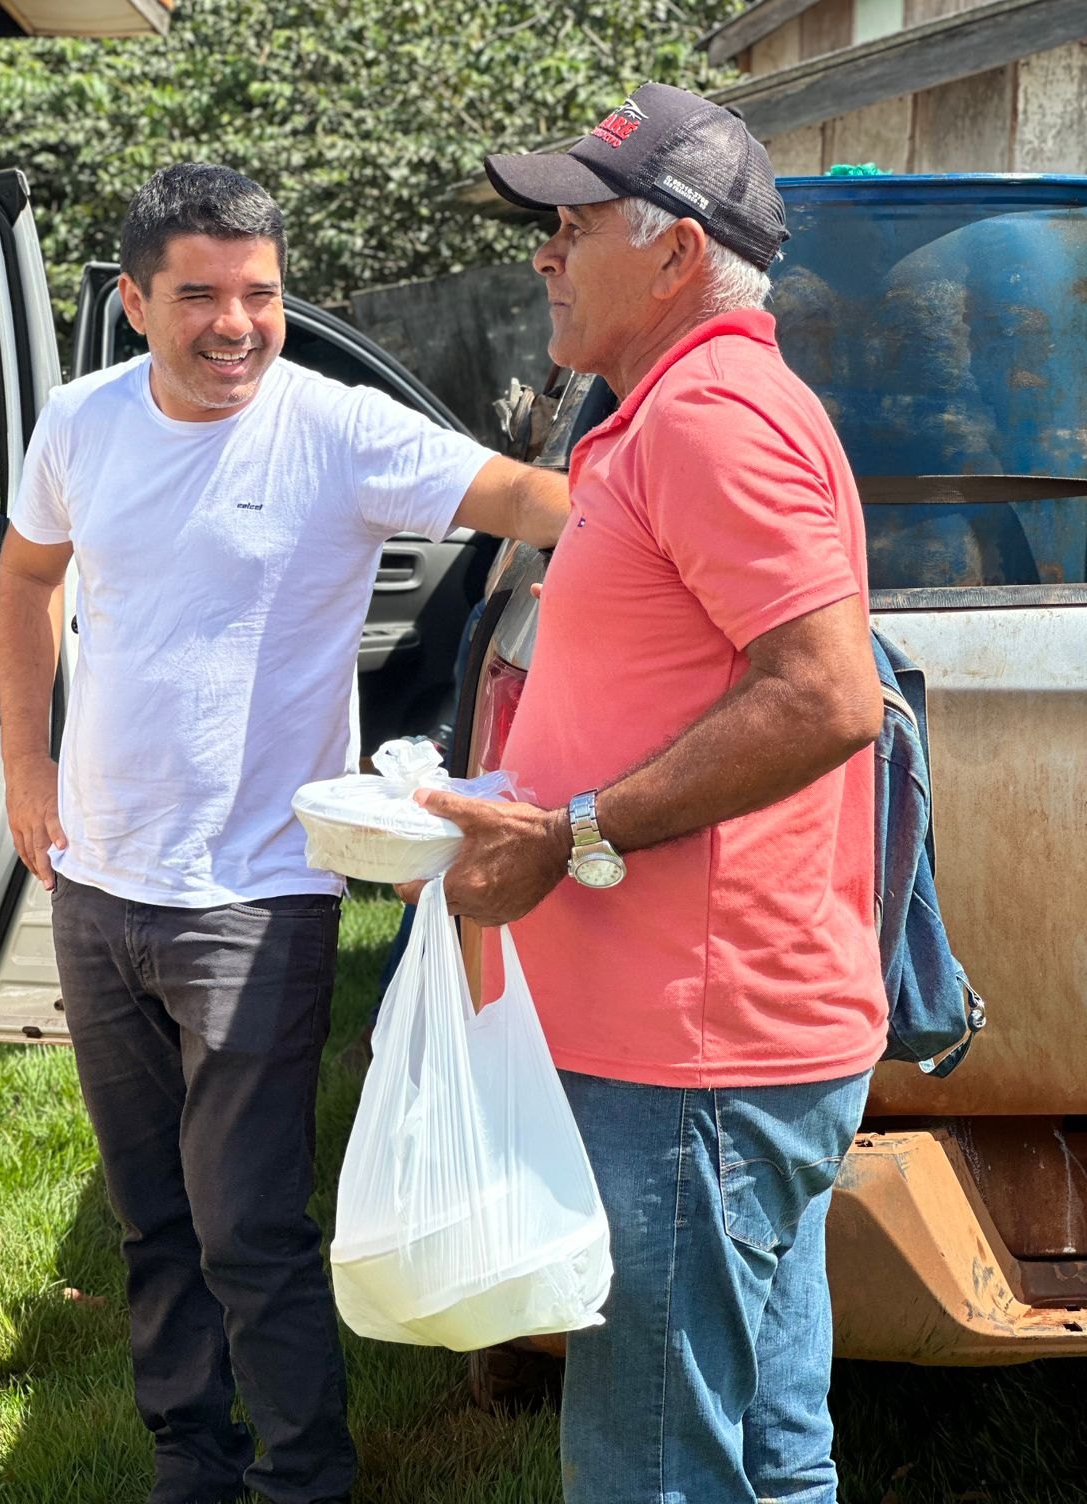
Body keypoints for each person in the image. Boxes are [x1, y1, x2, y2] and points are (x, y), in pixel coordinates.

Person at [0, 162, 569, 1504]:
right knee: (152, 1221)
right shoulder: (79, 423)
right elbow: (26, 574)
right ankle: (191, 1465)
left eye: (260, 293)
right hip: (98, 882)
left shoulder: (336, 428)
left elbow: (537, 503)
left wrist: (689, 489)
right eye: (200, 296)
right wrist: (27, 765)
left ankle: (305, 1477)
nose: (237, 324)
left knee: (248, 1225)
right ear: (135, 302)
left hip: (257, 896)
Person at [397, 84, 888, 1504]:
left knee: (653, 1471)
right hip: (717, 1047)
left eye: (575, 224)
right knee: (770, 1459)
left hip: (694, 1060)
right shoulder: (672, 412)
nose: (544, 253)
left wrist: (570, 834)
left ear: (675, 251)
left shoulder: (712, 418)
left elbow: (827, 695)